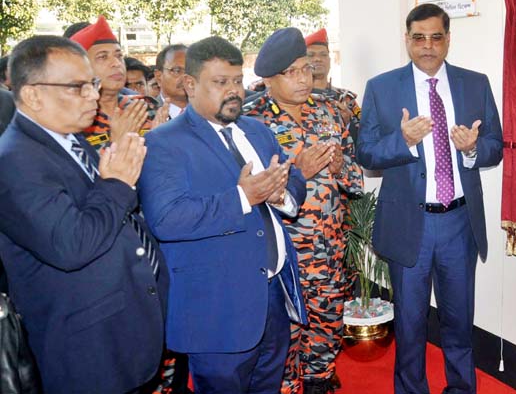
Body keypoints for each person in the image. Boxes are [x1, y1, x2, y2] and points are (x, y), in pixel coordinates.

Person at [138, 36, 309, 394]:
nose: (233, 91)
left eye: (237, 81)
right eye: (220, 83)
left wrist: (281, 196)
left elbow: (291, 176)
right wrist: (244, 197)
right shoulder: (164, 143)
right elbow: (167, 219)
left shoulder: (257, 131)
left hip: (272, 297)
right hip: (216, 310)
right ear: (190, 84)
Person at [0, 35, 168, 394]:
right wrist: (119, 182)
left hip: (121, 331)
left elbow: (113, 212)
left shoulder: (68, 138)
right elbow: (72, 245)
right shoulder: (14, 161)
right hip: (86, 349)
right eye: (78, 87)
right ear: (33, 95)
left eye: (92, 84)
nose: (94, 95)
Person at [356, 3, 503, 394]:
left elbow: (496, 146)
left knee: (459, 321)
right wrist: (401, 141)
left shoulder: (476, 84)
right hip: (410, 226)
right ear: (407, 40)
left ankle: (460, 389)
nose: (427, 46)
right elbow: (366, 153)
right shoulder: (382, 88)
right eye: (418, 37)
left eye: (436, 37)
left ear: (448, 40)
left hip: (458, 223)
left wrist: (472, 150)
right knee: (410, 323)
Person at [244, 28, 363, 394]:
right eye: (291, 72)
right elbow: (245, 193)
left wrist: (341, 166)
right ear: (267, 79)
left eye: (306, 69)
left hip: (329, 250)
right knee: (284, 341)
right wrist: (300, 172)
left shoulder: (330, 111)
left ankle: (319, 381)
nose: (303, 79)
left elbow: (356, 182)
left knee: (327, 331)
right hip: (283, 257)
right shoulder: (250, 122)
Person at [70, 16, 166, 148]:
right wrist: (117, 143)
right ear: (81, 67)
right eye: (103, 57)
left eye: (119, 56)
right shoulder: (74, 119)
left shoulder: (145, 108)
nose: (116, 63)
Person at [306, 28, 361, 142]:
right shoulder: (298, 98)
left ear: (330, 60)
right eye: (311, 55)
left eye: (323, 54)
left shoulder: (346, 98)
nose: (318, 59)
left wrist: (347, 123)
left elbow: (365, 140)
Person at [154, 44, 189, 118]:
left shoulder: (209, 114)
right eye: (177, 71)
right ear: (159, 77)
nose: (185, 77)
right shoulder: (144, 115)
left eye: (190, 71)